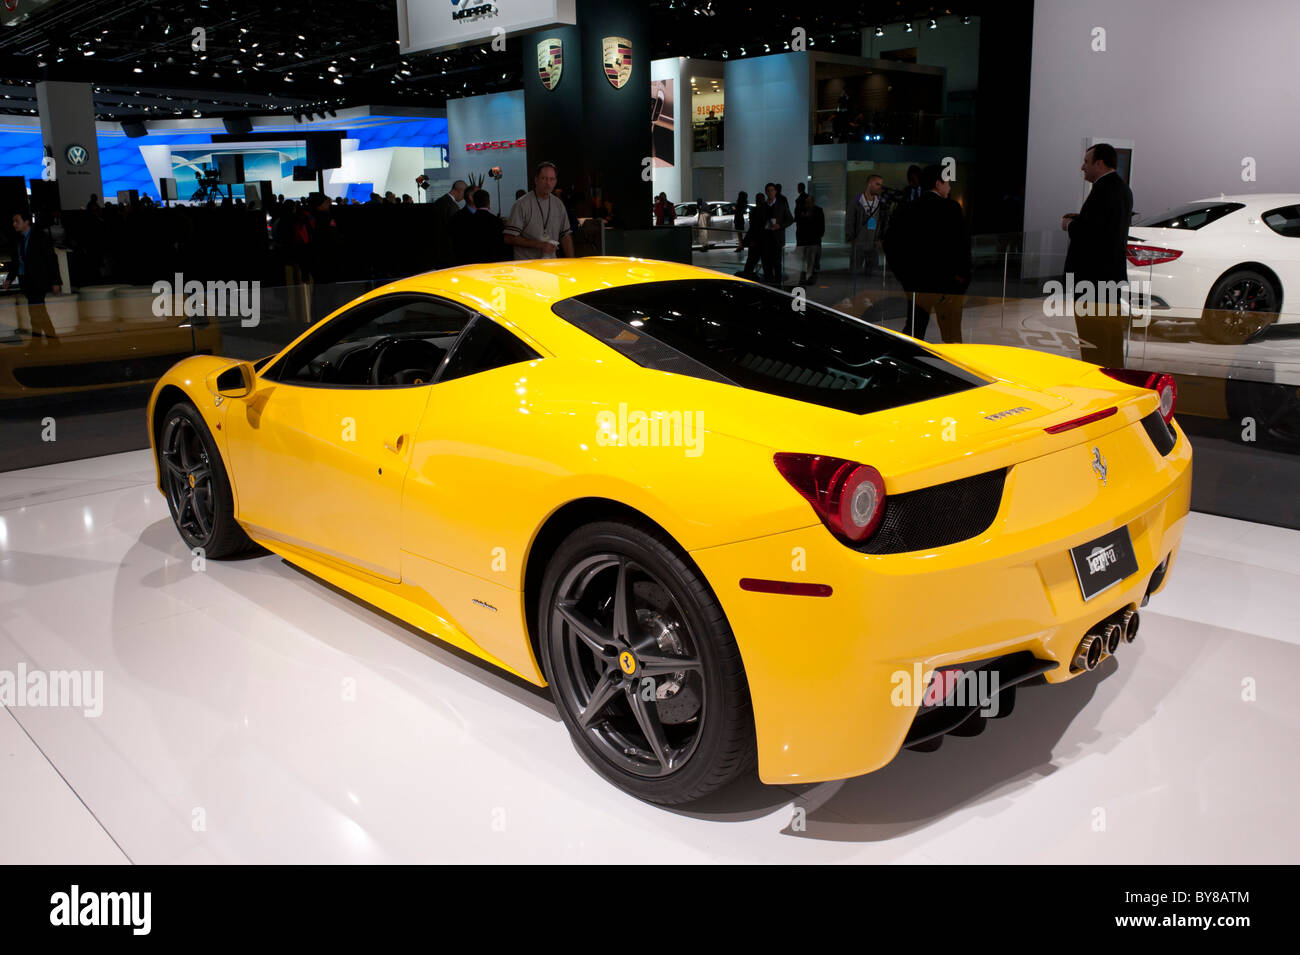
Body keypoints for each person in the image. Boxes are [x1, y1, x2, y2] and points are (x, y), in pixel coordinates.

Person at [1063, 142, 1133, 366]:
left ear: (1099, 164)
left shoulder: (1103, 190)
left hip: (1092, 279)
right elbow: (1106, 228)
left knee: (1093, 342)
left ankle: (1097, 386)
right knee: (1111, 340)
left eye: (1086, 162)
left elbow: (1094, 234)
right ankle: (1113, 383)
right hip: (1109, 277)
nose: (1082, 167)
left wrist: (1070, 226)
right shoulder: (1122, 188)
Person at [883, 164, 969, 343]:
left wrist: (904, 276)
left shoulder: (906, 209)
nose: (950, 187)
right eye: (947, 183)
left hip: (917, 283)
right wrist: (961, 277)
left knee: (915, 329)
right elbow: (961, 246)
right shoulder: (951, 209)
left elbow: (890, 244)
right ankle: (954, 369)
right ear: (938, 184)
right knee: (952, 333)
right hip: (947, 284)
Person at [4, 211, 61, 337]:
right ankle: (46, 338)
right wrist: (10, 278)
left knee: (37, 310)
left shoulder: (39, 237)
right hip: (26, 279)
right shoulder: (19, 239)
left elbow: (51, 260)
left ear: (26, 222)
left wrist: (55, 281)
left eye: (17, 221)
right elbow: (17, 261)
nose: (14, 224)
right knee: (36, 310)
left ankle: (48, 338)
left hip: (38, 280)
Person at [503, 161, 574, 259]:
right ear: (536, 180)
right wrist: (539, 245)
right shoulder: (522, 204)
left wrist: (571, 262)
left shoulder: (558, 204)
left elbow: (565, 236)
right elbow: (509, 237)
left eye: (551, 179)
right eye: (544, 178)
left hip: (551, 265)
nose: (548, 183)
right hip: (527, 266)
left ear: (555, 181)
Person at [847, 174, 887, 278]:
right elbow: (850, 220)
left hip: (873, 243)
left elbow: (883, 222)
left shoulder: (880, 203)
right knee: (855, 274)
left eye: (881, 184)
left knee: (873, 274)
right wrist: (851, 237)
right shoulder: (857, 201)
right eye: (877, 184)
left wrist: (881, 238)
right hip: (859, 243)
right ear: (869, 184)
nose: (880, 187)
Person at [454, 189, 507, 264]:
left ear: (474, 203)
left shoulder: (466, 221)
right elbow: (501, 245)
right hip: (492, 262)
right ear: (488, 202)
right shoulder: (496, 221)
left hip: (472, 263)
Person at [761, 182, 793, 285]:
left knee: (777, 264)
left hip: (777, 239)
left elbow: (790, 219)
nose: (770, 192)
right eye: (768, 190)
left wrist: (779, 225)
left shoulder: (782, 205)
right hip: (765, 239)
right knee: (766, 265)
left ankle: (778, 287)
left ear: (775, 192)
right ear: (766, 192)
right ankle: (768, 286)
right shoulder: (762, 206)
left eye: (772, 190)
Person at [431, 179, 467, 267]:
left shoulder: (438, 202)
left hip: (436, 248)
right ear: (460, 190)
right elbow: (456, 229)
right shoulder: (452, 206)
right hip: (449, 250)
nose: (464, 197)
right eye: (464, 193)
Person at [794, 189, 824, 284]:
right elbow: (798, 224)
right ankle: (804, 276)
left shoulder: (818, 210)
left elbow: (821, 225)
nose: (808, 203)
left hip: (814, 239)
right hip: (803, 239)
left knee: (812, 259)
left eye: (809, 202)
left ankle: (809, 277)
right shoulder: (800, 211)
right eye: (807, 202)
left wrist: (819, 235)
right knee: (803, 260)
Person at [739, 190, 768, 278]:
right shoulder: (767, 210)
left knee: (750, 263)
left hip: (755, 242)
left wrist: (749, 240)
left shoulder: (754, 211)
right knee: (766, 264)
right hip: (764, 241)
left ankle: (747, 279)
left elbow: (753, 228)